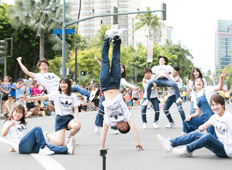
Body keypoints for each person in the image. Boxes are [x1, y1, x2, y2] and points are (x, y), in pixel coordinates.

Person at [99, 29, 143, 150]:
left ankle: (107, 37)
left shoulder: (110, 121)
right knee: (116, 60)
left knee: (105, 61)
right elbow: (134, 128)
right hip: (115, 84)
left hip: (105, 85)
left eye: (122, 128)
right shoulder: (126, 115)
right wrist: (137, 142)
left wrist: (102, 147)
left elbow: (104, 132)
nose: (123, 125)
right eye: (125, 126)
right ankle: (117, 38)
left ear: (117, 128)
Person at [157, 94, 232, 158]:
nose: (215, 107)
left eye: (217, 104)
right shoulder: (215, 116)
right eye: (212, 105)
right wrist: (201, 127)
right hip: (218, 145)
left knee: (208, 136)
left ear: (223, 105)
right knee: (196, 134)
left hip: (226, 151)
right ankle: (170, 144)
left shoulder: (228, 117)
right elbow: (204, 125)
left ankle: (187, 150)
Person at [2, 105, 76, 155]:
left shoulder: (22, 123)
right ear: (13, 112)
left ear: (22, 115)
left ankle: (66, 149)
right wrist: (9, 125)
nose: (17, 114)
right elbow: (4, 134)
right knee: (37, 128)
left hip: (26, 145)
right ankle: (43, 148)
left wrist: (12, 148)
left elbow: (18, 136)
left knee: (46, 146)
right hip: (21, 147)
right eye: (16, 112)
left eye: (20, 113)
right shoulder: (8, 122)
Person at [27, 78, 81, 146]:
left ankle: (69, 138)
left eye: (65, 83)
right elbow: (43, 98)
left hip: (70, 118)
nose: (63, 85)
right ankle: (47, 134)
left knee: (77, 125)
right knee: (60, 143)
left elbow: (76, 108)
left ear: (68, 85)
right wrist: (30, 98)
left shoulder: (73, 95)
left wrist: (76, 118)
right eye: (61, 83)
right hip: (60, 119)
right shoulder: (56, 94)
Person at [16, 57, 96, 101]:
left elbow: (61, 81)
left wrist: (68, 81)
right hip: (55, 92)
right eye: (42, 65)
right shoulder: (38, 75)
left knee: (77, 87)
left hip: (62, 88)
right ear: (39, 67)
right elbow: (27, 72)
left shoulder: (52, 74)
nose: (44, 66)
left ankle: (90, 96)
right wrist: (19, 62)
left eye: (46, 65)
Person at [94, 58, 139, 134]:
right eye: (120, 68)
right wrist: (97, 60)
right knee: (101, 109)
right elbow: (103, 66)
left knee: (116, 112)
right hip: (106, 93)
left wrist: (135, 88)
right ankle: (97, 124)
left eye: (122, 69)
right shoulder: (111, 73)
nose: (121, 69)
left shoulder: (122, 79)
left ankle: (115, 127)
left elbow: (128, 84)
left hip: (115, 97)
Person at [182, 70, 227, 135]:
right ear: (194, 85)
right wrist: (190, 116)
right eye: (197, 81)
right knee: (187, 122)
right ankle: (185, 138)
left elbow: (219, 87)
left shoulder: (207, 89)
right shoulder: (196, 97)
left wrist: (221, 79)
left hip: (211, 116)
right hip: (202, 117)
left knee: (212, 134)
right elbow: (198, 112)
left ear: (203, 84)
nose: (199, 82)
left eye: (200, 81)